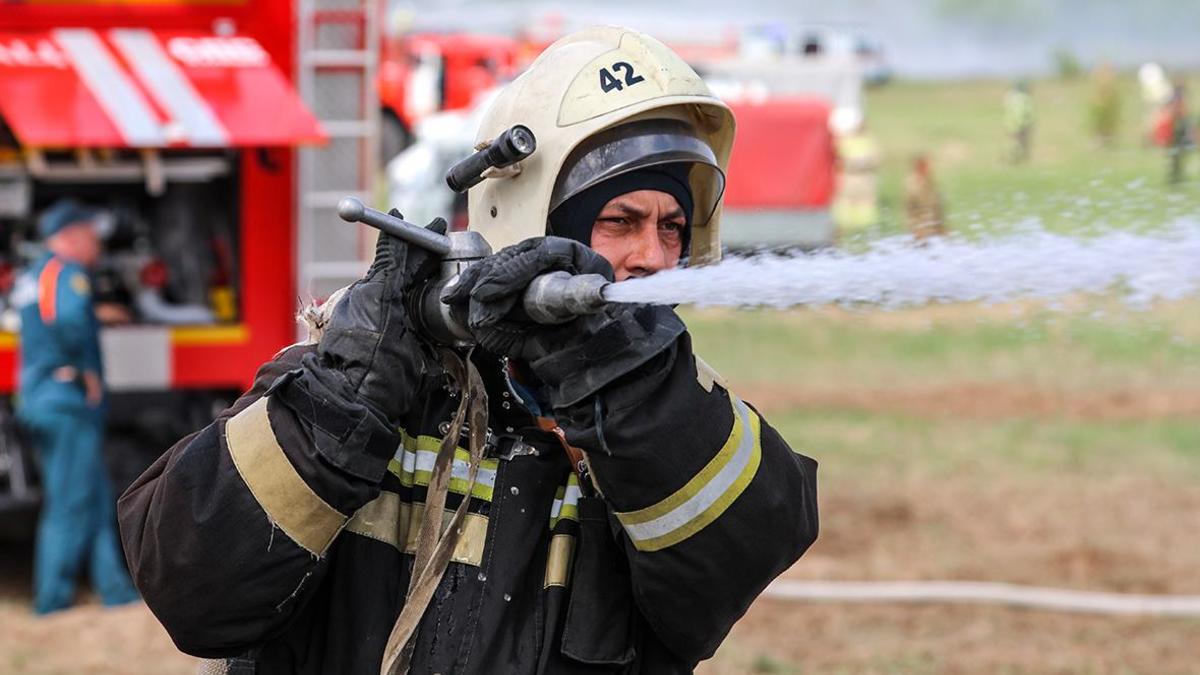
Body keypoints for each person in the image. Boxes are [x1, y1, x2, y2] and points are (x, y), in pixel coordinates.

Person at [118, 26, 819, 674]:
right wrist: (347, 395)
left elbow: (736, 561)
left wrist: (620, 389)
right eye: (620, 221)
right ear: (531, 219)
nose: (652, 256)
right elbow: (191, 588)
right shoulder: (351, 379)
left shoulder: (668, 416)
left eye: (672, 226)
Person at [12, 199, 138, 614]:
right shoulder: (67, 275)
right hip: (64, 402)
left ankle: (115, 590)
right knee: (69, 502)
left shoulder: (36, 275)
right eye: (89, 236)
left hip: (45, 398)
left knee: (95, 496)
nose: (95, 246)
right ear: (68, 236)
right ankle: (51, 600)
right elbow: (66, 319)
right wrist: (86, 371)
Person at [829, 107, 881, 238]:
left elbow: (876, 158)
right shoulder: (842, 141)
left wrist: (865, 162)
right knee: (845, 209)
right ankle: (846, 235)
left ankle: (865, 234)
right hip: (848, 179)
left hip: (863, 179)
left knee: (865, 208)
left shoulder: (867, 140)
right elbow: (837, 159)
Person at [904, 154, 945, 241]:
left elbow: (936, 204)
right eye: (927, 166)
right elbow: (911, 207)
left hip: (932, 222)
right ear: (920, 166)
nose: (930, 169)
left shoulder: (929, 180)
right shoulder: (912, 182)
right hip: (919, 224)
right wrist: (917, 226)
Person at [1164, 84, 1193, 185]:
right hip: (1175, 136)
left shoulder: (1177, 102)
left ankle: (1176, 178)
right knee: (1175, 159)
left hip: (1178, 136)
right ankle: (1175, 179)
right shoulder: (1176, 102)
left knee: (1177, 159)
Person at [1004, 79, 1034, 164]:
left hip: (1012, 124)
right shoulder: (1024, 98)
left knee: (1014, 143)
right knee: (1020, 144)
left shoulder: (1011, 98)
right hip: (1021, 124)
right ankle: (1016, 159)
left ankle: (1013, 159)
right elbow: (1026, 112)